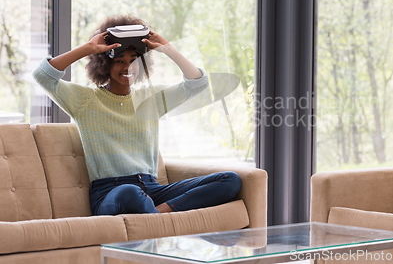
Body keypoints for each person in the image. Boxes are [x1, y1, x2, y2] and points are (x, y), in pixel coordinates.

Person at [32, 14, 241, 216]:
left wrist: (167, 48)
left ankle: (157, 214)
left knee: (230, 180)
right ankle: (158, 220)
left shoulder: (150, 98)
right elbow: (43, 76)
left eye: (134, 60)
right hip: (111, 193)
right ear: (105, 64)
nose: (128, 68)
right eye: (119, 61)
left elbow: (198, 83)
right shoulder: (85, 100)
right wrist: (89, 48)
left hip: (152, 189)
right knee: (129, 192)